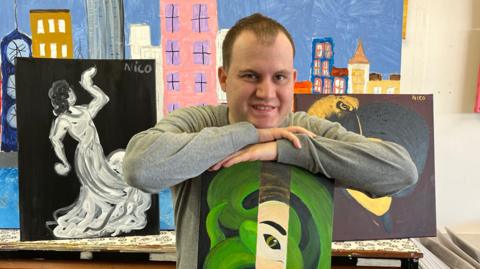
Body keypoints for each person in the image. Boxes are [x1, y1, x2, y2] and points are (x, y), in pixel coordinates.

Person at [123, 13, 418, 268]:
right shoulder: (197, 123)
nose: (266, 92)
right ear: (224, 78)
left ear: (292, 78)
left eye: (279, 77)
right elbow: (140, 168)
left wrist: (287, 149)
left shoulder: (307, 130)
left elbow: (400, 172)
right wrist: (249, 134)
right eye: (251, 76)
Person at [48, 66, 151, 238]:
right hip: (85, 156)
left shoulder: (82, 110)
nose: (73, 93)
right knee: (96, 186)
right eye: (70, 92)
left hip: (96, 151)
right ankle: (103, 211)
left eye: (72, 90)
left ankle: (106, 208)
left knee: (107, 181)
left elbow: (103, 98)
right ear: (65, 97)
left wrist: (89, 85)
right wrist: (64, 162)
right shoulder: (64, 119)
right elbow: (55, 139)